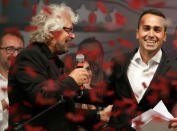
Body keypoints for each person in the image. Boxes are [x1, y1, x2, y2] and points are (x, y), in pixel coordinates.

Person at [7, 3, 97, 131]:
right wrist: (72, 80)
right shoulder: (28, 57)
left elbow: (63, 107)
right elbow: (41, 95)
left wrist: (105, 105)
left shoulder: (52, 61)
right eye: (69, 30)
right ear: (51, 32)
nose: (73, 36)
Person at [106, 9, 177, 130]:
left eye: (157, 30)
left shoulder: (175, 69)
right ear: (137, 33)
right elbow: (105, 96)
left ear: (164, 36)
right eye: (146, 28)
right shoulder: (119, 62)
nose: (151, 34)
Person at [0, 31, 24, 131]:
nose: (16, 54)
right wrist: (9, 98)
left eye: (19, 50)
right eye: (10, 49)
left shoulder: (28, 79)